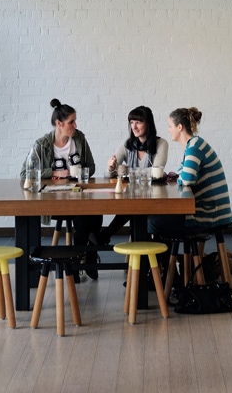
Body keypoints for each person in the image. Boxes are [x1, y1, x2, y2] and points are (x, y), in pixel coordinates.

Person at [20, 98, 102, 279]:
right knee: (84, 217)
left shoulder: (79, 138)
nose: (75, 125)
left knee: (96, 210)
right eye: (71, 122)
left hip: (78, 194)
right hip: (53, 200)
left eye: (75, 121)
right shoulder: (42, 144)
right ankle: (81, 259)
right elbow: (25, 173)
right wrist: (55, 172)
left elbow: (91, 166)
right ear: (59, 123)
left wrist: (78, 171)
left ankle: (87, 255)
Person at [148, 106, 232, 236]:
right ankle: (167, 257)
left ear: (180, 127)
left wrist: (178, 177)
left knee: (153, 222)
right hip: (214, 210)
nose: (168, 130)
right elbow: (182, 176)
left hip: (210, 213)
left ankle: (162, 257)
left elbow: (186, 179)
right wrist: (178, 177)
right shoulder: (193, 145)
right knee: (156, 218)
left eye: (170, 126)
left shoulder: (194, 146)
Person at [98, 105, 168, 244]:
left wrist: (126, 171)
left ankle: (105, 235)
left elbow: (156, 171)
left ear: (148, 124)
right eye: (131, 122)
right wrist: (111, 167)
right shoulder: (127, 145)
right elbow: (108, 174)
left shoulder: (161, 144)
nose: (134, 127)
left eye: (138, 122)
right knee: (132, 206)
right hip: (132, 198)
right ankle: (139, 257)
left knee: (133, 207)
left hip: (153, 197)